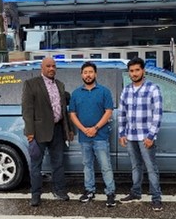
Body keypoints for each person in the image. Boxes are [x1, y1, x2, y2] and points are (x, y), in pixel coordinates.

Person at [22, 57, 73, 207]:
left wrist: (68, 130)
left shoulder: (60, 85)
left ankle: (59, 190)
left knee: (58, 163)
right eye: (48, 66)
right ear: (42, 68)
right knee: (36, 165)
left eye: (54, 66)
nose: (52, 69)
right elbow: (27, 110)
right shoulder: (31, 84)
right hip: (38, 132)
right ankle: (36, 195)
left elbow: (63, 109)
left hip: (57, 130)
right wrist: (30, 133)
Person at [118, 57, 163, 211]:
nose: (134, 73)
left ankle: (156, 198)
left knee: (151, 168)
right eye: (131, 71)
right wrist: (121, 133)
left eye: (137, 70)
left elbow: (158, 114)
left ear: (143, 71)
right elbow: (122, 114)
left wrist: (151, 136)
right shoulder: (127, 90)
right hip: (130, 136)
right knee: (136, 166)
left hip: (146, 137)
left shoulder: (153, 88)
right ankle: (136, 192)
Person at [69, 61, 116, 207]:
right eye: (85, 72)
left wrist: (95, 128)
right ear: (81, 75)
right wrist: (83, 129)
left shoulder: (104, 91)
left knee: (105, 165)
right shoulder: (76, 93)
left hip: (100, 135)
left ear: (95, 74)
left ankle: (110, 192)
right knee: (87, 165)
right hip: (84, 137)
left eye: (90, 72)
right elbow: (72, 114)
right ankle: (89, 190)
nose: (88, 75)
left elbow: (108, 111)